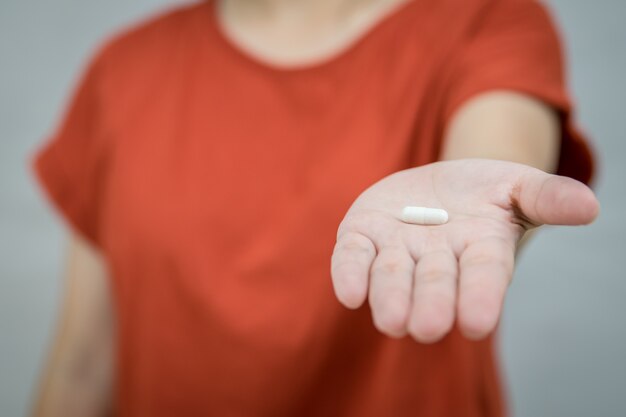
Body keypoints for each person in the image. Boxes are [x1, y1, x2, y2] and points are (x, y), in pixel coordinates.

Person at [30, 0, 599, 416]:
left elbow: (495, 150)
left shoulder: (488, 18)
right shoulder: (124, 70)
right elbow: (83, 364)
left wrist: (483, 189)